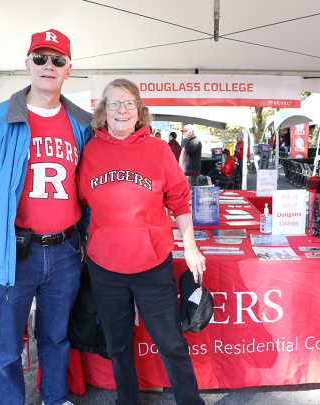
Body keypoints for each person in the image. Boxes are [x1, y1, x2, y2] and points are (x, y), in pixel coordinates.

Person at [0, 28, 92, 405]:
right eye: (40, 57)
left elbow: (87, 188)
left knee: (55, 336)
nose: (48, 65)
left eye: (57, 60)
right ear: (27, 64)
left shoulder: (81, 124)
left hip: (65, 248)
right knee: (6, 345)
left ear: (68, 69)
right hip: (12, 249)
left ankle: (54, 398)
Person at [77, 78, 206, 405]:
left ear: (139, 110)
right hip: (105, 267)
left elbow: (179, 198)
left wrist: (190, 246)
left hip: (152, 266)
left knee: (171, 344)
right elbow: (77, 202)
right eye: (114, 103)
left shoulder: (159, 150)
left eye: (129, 103)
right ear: (103, 112)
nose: (122, 109)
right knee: (118, 346)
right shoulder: (89, 151)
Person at [179, 124, 202, 188]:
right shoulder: (188, 142)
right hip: (186, 172)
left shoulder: (196, 141)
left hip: (191, 172)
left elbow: (189, 149)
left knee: (191, 192)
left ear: (191, 131)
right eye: (183, 132)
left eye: (185, 132)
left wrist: (185, 139)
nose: (184, 134)